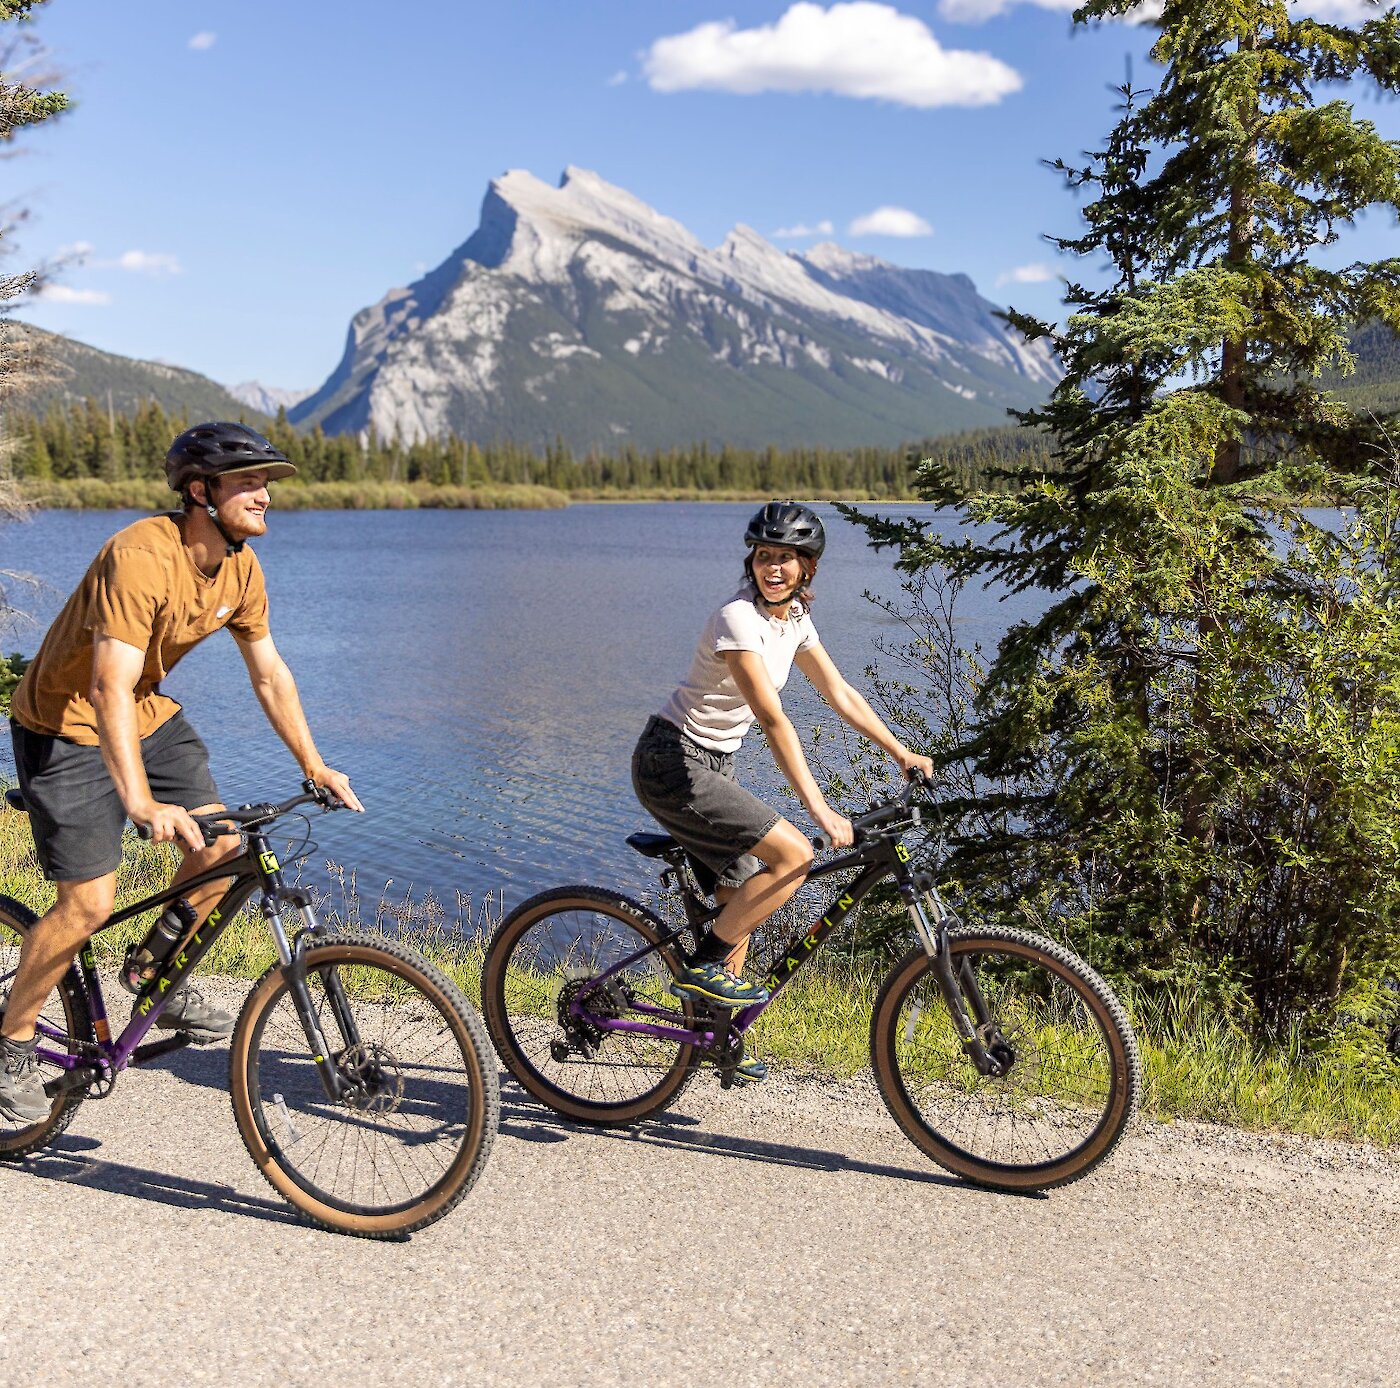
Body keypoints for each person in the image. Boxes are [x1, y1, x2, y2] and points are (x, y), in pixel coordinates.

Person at [0, 422, 363, 1124]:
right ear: (200, 491)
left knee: (223, 845)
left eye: (267, 483)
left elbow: (270, 675)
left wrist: (314, 765)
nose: (265, 496)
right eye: (249, 483)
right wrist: (138, 801)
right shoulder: (139, 556)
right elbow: (107, 686)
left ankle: (152, 972)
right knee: (88, 905)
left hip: (147, 714)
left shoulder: (242, 568)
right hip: (63, 725)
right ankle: (11, 1044)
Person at [631, 501, 933, 1082]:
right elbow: (772, 719)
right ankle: (705, 965)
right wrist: (820, 809)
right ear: (753, 561)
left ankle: (719, 1033)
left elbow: (838, 692)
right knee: (795, 855)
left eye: (786, 560)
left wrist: (902, 752)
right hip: (671, 761)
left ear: (807, 569)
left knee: (741, 893)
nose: (774, 569)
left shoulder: (793, 620)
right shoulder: (737, 619)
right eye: (765, 557)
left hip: (712, 766)